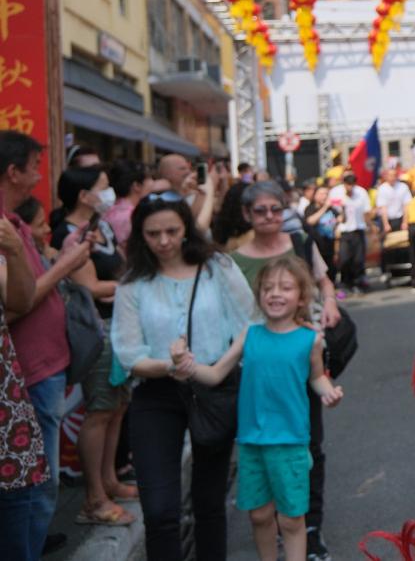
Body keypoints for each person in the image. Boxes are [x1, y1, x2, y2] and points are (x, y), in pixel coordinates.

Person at [111, 192, 255, 561]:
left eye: (172, 231)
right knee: (159, 511)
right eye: (152, 233)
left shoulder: (216, 266)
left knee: (209, 503)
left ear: (186, 230)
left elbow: (250, 321)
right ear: (139, 235)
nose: (163, 241)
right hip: (156, 395)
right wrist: (169, 366)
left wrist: (215, 369)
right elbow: (128, 354)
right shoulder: (132, 283)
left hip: (214, 388)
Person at [173, 256, 343, 561]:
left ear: (301, 297)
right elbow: (214, 374)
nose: (275, 293)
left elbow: (317, 378)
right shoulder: (249, 335)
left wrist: (329, 393)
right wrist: (186, 365)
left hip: (291, 441)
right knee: (260, 516)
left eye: (285, 288)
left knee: (291, 519)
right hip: (252, 442)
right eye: (268, 288)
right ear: (259, 295)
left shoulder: (310, 340)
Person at [227, 182, 340, 560]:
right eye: (261, 211)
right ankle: (281, 531)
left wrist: (329, 304)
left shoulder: (301, 243)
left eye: (276, 209)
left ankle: (308, 529)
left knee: (308, 447)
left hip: (302, 352)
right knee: (262, 454)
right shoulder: (235, 259)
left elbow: (324, 281)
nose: (270, 217)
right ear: (247, 214)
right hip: (257, 361)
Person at [0, 131, 93, 558]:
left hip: (27, 379)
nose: (39, 177)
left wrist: (39, 257)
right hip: (27, 376)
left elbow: (17, 296)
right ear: (13, 171)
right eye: (34, 167)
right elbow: (16, 307)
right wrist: (67, 267)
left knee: (33, 483)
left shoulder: (12, 225)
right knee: (30, 488)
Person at [49, 167, 137, 526]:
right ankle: (93, 498)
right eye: (103, 187)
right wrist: (136, 287)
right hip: (94, 329)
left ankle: (109, 481)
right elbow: (90, 288)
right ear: (83, 195)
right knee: (99, 410)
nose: (109, 193)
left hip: (118, 325)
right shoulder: (69, 234)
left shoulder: (101, 228)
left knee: (117, 405)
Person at [327, 173, 371, 293]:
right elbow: (331, 209)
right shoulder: (336, 193)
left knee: (358, 259)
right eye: (348, 184)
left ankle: (357, 281)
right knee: (344, 258)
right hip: (343, 231)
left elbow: (366, 211)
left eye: (352, 184)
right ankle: (346, 281)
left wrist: (370, 225)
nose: (350, 188)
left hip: (358, 229)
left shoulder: (361, 193)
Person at [157, 154, 215, 237]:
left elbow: (191, 217)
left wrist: (200, 193)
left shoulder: (191, 192)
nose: (188, 172)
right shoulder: (160, 196)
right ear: (167, 173)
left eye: (188, 168)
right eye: (182, 169)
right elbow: (198, 228)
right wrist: (209, 190)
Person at [104, 160, 151, 246]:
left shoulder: (107, 211)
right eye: (149, 178)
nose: (152, 182)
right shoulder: (132, 216)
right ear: (137, 186)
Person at [303, 186, 338, 276]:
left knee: (331, 272)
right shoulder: (310, 208)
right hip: (316, 246)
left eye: (326, 194)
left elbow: (340, 219)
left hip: (329, 246)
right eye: (322, 194)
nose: (324, 196)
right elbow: (310, 221)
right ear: (315, 196)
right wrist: (324, 208)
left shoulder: (331, 209)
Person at [375, 169, 412, 236]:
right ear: (386, 176)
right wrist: (386, 224)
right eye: (390, 175)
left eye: (394, 175)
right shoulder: (382, 189)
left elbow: (406, 205)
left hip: (400, 219)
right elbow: (383, 208)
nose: (392, 177)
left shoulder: (403, 187)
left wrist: (405, 222)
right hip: (387, 220)